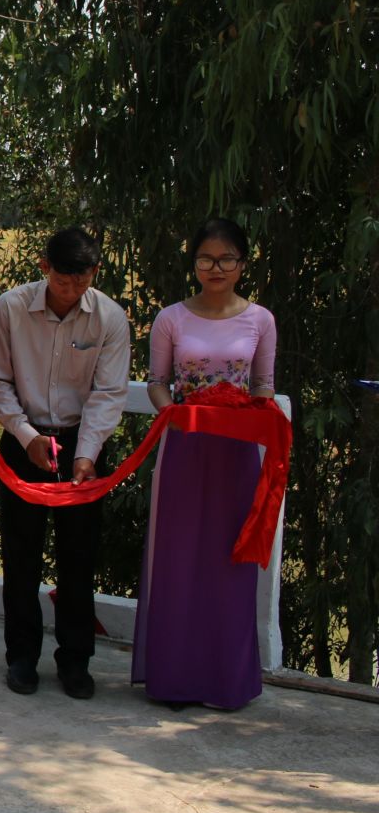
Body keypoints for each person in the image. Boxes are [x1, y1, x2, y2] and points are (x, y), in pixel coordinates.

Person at [135, 217, 277, 709]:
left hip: (237, 453)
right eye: (205, 258)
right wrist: (173, 414)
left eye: (226, 259)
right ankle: (175, 679)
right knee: (178, 558)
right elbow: (157, 381)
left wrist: (259, 416)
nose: (215, 268)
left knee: (230, 559)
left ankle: (225, 680)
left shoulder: (259, 319)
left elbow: (263, 385)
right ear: (193, 262)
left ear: (242, 264)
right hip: (185, 447)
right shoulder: (171, 317)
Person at [0, 227, 131, 700]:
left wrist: (87, 454)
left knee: (78, 557)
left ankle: (75, 660)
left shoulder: (109, 318)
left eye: (82, 280)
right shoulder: (10, 308)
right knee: (21, 556)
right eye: (64, 280)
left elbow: (108, 394)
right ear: (44, 268)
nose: (72, 291)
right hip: (23, 442)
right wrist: (26, 436)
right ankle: (21, 657)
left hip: (81, 446)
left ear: (95, 273)